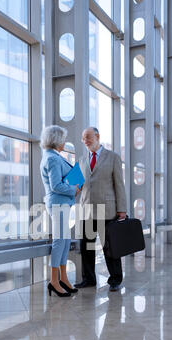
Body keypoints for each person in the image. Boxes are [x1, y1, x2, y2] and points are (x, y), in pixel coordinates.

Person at [75, 127, 127, 292]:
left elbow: (119, 185)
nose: (85, 141)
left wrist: (122, 209)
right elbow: (74, 185)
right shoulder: (82, 161)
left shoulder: (113, 157)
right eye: (83, 139)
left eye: (88, 137)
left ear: (97, 136)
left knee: (110, 247)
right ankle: (89, 279)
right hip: (86, 211)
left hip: (107, 210)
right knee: (86, 247)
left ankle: (115, 280)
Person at [40, 125, 81, 297]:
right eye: (63, 139)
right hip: (58, 204)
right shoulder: (52, 159)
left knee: (64, 241)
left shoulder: (54, 157)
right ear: (56, 140)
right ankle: (54, 280)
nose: (65, 142)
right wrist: (74, 189)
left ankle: (63, 277)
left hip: (62, 204)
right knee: (59, 241)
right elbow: (56, 185)